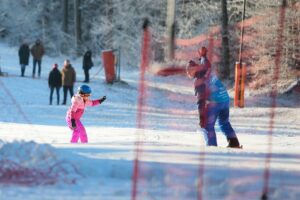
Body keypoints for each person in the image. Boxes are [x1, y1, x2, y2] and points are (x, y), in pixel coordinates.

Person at [187, 46, 240, 148]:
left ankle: (212, 147)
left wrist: (202, 118)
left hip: (216, 101)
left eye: (190, 70)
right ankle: (234, 143)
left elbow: (201, 101)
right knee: (224, 122)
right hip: (225, 98)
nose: (188, 73)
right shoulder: (205, 69)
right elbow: (206, 63)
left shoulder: (199, 81)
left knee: (207, 126)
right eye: (187, 70)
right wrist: (203, 56)